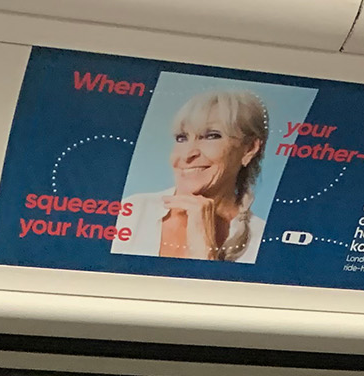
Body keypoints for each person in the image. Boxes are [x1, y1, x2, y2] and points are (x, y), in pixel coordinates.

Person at [114, 89, 268, 265]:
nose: (188, 154)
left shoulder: (262, 241)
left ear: (249, 149)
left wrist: (205, 252)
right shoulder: (130, 210)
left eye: (211, 136)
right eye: (182, 138)